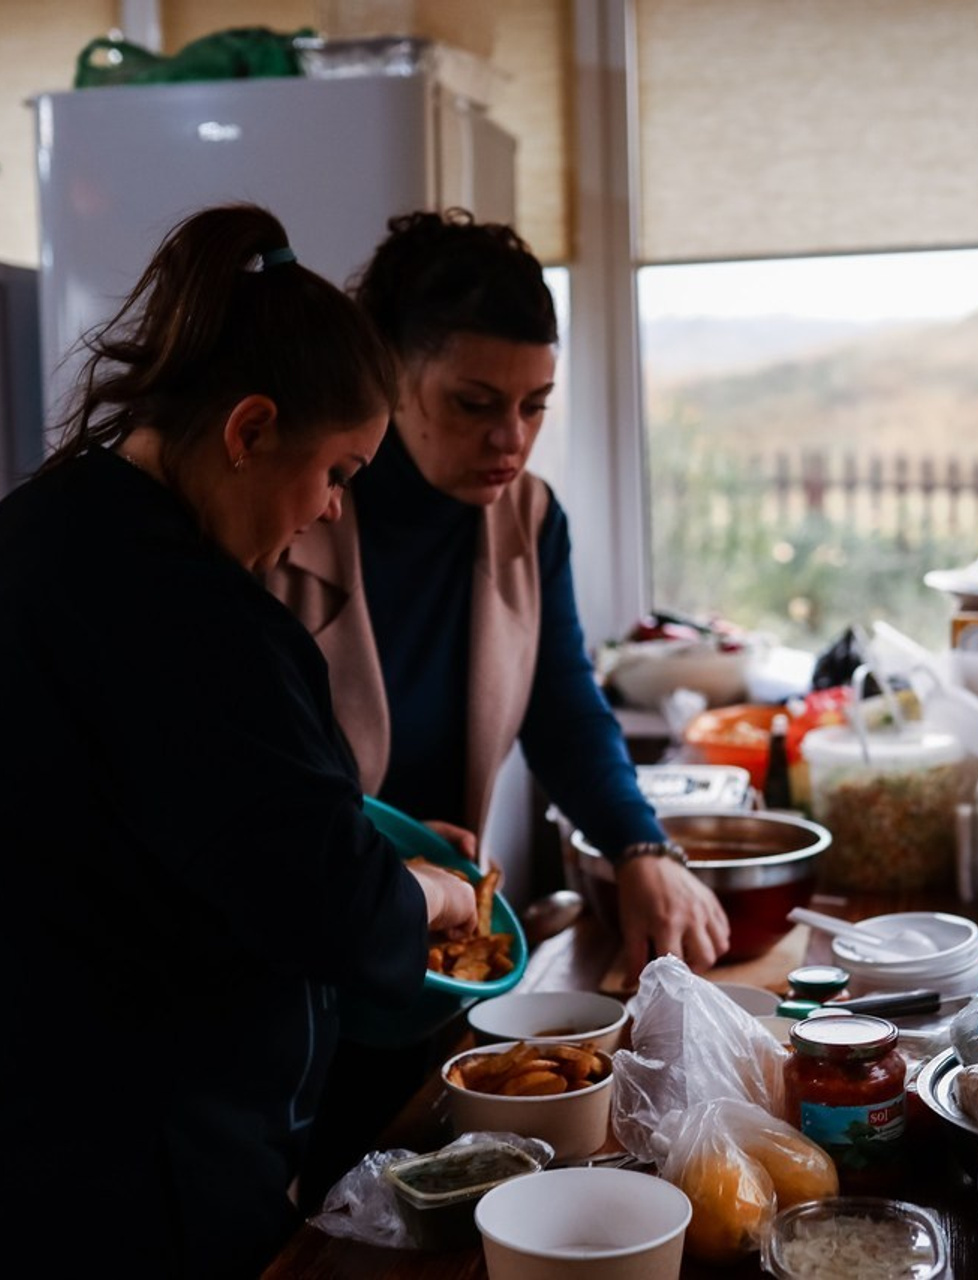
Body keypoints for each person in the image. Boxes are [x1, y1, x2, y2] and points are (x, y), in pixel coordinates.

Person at [0, 204, 478, 1279]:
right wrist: (435, 894)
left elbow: (145, 803)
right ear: (250, 428)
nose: (325, 515)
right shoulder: (200, 622)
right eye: (338, 475)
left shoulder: (40, 532)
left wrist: (347, 826)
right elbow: (335, 912)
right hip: (141, 1154)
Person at [268, 208, 731, 1204]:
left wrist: (639, 846)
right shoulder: (297, 505)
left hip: (435, 943)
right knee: (304, 1205)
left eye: (535, 404)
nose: (509, 438)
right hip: (304, 934)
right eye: (474, 401)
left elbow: (562, 702)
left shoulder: (526, 518)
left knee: (411, 1187)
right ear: (387, 371)